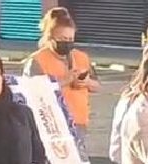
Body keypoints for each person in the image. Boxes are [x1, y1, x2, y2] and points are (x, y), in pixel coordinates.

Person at [25, 7, 99, 143]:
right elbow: (31, 92)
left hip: (78, 122)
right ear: (51, 38)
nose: (67, 43)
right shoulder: (37, 60)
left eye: (70, 39)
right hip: (51, 123)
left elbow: (97, 85)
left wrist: (87, 82)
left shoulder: (81, 57)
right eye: (63, 39)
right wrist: (65, 81)